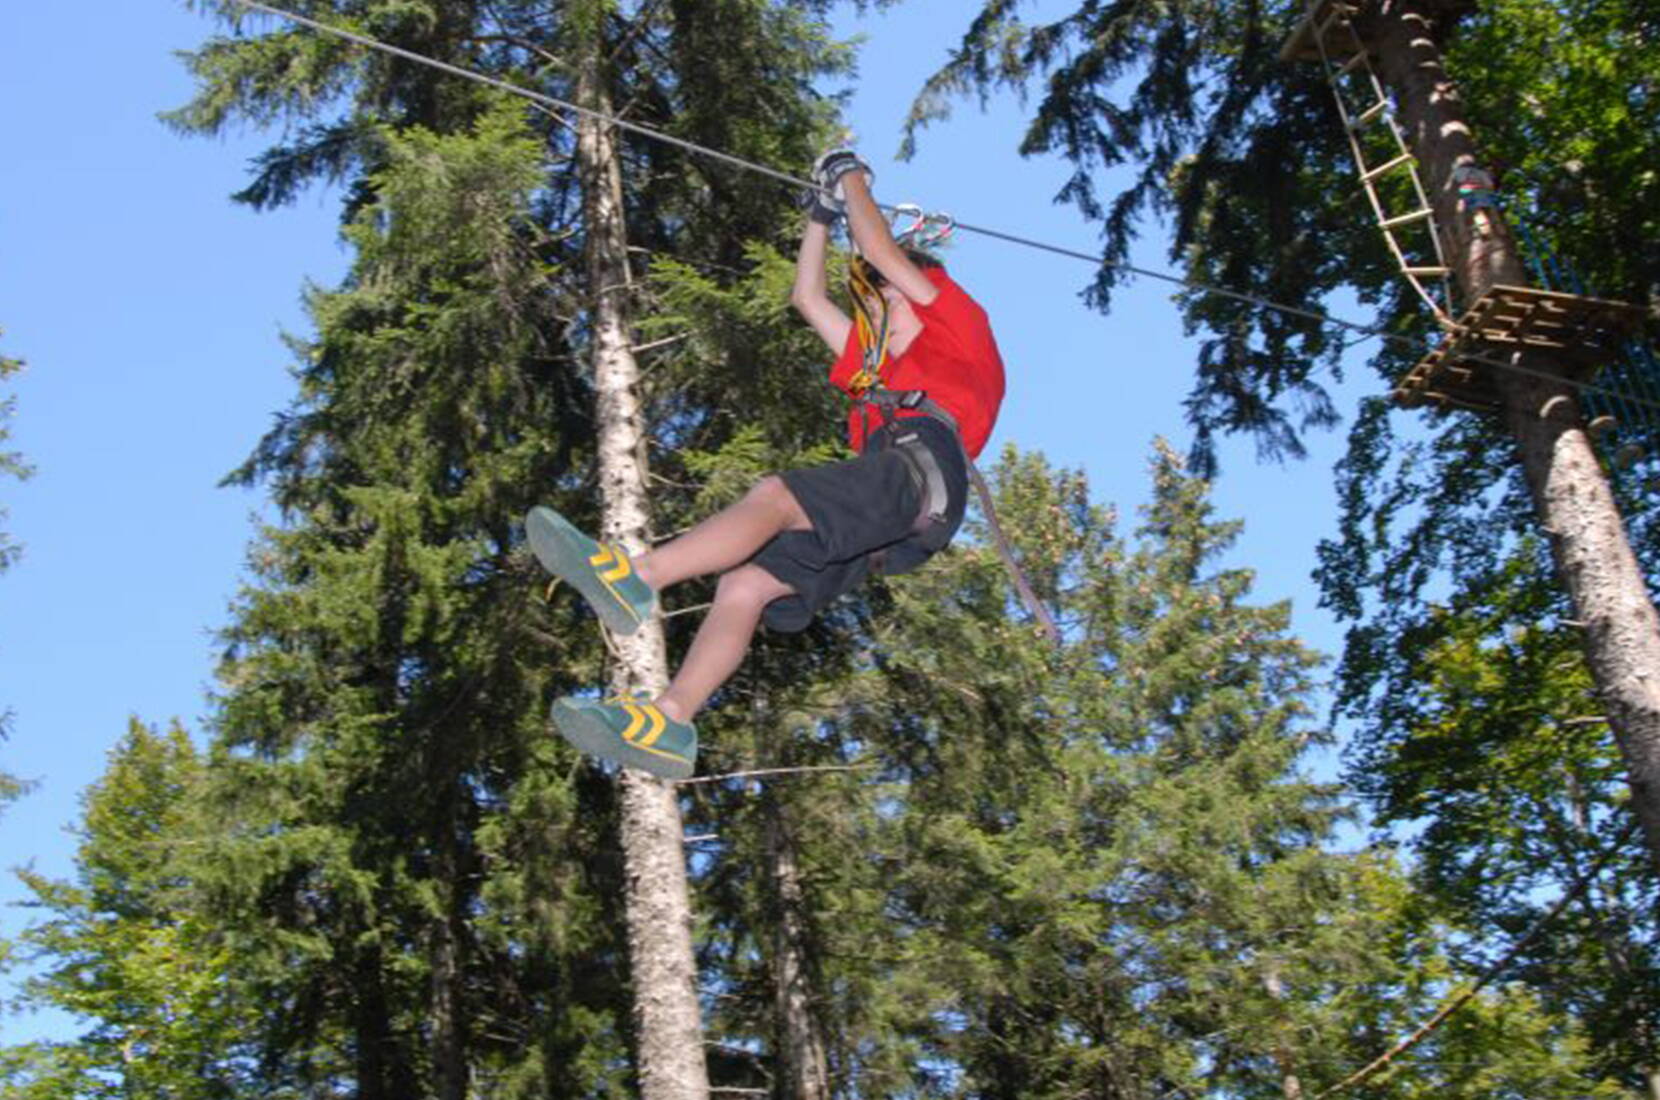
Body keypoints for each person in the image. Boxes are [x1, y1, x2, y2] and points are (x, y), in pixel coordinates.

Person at [525, 150, 1006, 779]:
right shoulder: (875, 370)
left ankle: (637, 575)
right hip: (899, 515)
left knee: (777, 496)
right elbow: (808, 298)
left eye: (882, 298)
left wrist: (851, 180)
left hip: (922, 468)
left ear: (915, 291)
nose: (874, 312)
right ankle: (670, 722)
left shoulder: (957, 323)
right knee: (744, 585)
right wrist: (818, 213)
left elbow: (885, 254)